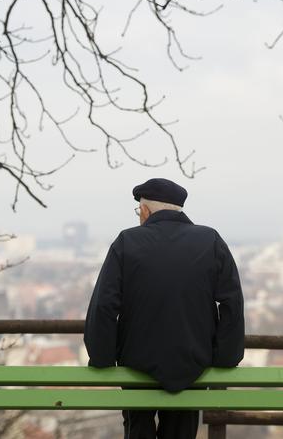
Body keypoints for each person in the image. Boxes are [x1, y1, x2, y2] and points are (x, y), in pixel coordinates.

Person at [84, 178, 245, 439]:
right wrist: (225, 357)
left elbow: (104, 305)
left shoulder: (127, 242)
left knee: (138, 431)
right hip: (192, 363)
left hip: (136, 364)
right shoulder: (210, 240)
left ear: (145, 211)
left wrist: (102, 358)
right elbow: (232, 304)